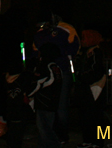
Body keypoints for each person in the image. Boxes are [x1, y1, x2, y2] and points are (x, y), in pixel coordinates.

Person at [32, 12, 80, 144]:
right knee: (56, 105)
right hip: (54, 70)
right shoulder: (42, 32)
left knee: (55, 106)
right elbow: (74, 47)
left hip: (58, 70)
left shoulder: (63, 29)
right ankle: (57, 136)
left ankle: (57, 135)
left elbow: (74, 47)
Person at [27, 43, 64, 148]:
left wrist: (28, 94)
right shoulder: (55, 67)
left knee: (45, 130)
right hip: (52, 102)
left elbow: (39, 84)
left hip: (44, 103)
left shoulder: (45, 66)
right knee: (46, 129)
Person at [76, 29, 109, 148]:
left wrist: (82, 77)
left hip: (94, 88)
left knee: (94, 116)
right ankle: (89, 140)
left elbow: (96, 71)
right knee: (86, 116)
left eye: (84, 38)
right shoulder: (86, 52)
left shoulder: (95, 53)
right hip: (88, 88)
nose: (82, 41)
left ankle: (96, 142)